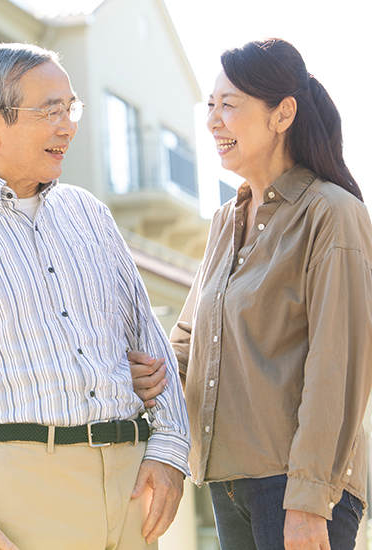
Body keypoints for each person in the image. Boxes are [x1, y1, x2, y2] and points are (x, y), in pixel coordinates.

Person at [0, 43, 190, 550]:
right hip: (23, 490)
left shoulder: (90, 214)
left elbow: (149, 339)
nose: (68, 126)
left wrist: (168, 447)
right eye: (50, 111)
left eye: (70, 108)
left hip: (128, 485)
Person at [131, 38, 372, 550]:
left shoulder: (332, 214)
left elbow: (338, 368)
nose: (214, 121)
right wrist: (146, 371)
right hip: (229, 483)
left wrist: (308, 502)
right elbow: (190, 341)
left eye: (230, 106)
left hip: (297, 489)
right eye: (210, 107)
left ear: (282, 114)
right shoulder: (225, 221)